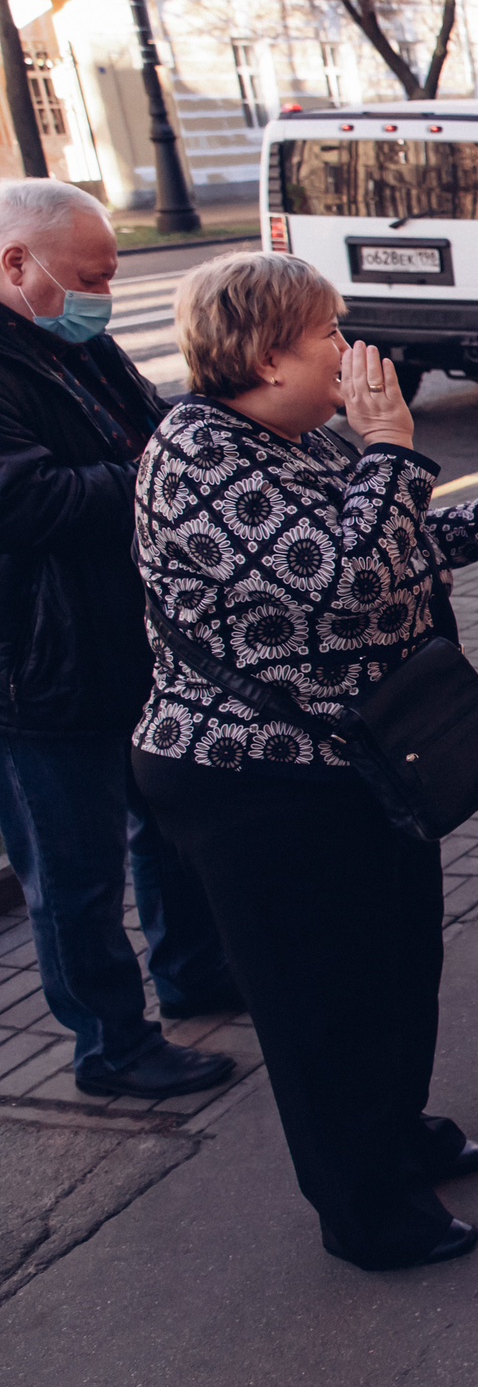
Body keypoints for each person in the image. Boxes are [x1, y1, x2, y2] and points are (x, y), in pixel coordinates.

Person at [130, 250, 478, 1271]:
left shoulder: (292, 434)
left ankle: (392, 1128)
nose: (352, 350)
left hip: (354, 759)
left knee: (393, 966)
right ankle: (365, 1208)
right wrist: (390, 445)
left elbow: (385, 542)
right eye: (329, 332)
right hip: (256, 779)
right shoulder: (198, 452)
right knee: (318, 1002)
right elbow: (341, 583)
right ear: (261, 352)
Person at [0, 179, 237, 1101]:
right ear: (16, 263)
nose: (102, 294)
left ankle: (192, 972)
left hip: (129, 637)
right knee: (72, 873)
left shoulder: (79, 343)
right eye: (89, 277)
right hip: (36, 669)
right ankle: (110, 1043)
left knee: (168, 822)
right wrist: (148, 476)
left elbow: (152, 430)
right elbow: (28, 502)